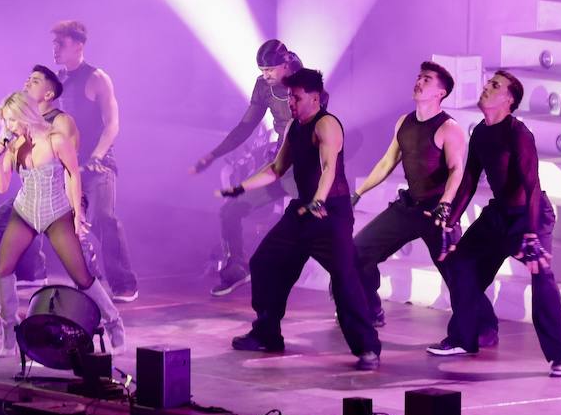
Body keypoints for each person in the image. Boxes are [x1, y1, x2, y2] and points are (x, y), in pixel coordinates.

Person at [222, 68, 380, 369]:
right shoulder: (295, 126)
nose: (290, 103)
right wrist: (241, 187)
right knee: (264, 262)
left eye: (296, 97)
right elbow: (276, 168)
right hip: (302, 211)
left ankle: (367, 348)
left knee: (345, 278)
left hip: (330, 213)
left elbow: (328, 167)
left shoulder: (328, 125)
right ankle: (267, 333)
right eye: (290, 97)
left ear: (314, 97)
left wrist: (319, 199)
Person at [431, 70, 561, 375]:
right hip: (498, 217)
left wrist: (532, 234)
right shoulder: (481, 132)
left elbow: (532, 185)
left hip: (530, 215)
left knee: (542, 275)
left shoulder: (518, 133)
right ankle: (463, 337)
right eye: (487, 83)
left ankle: (559, 355)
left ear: (508, 100)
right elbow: (469, 180)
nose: (486, 87)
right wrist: (449, 222)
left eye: (494, 86)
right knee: (460, 264)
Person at [349, 60, 496, 339]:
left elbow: (457, 171)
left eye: (427, 79)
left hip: (438, 213)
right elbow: (387, 162)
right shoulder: (404, 122)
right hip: (409, 207)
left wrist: (445, 206)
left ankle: (486, 324)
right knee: (358, 251)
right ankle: (371, 308)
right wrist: (359, 192)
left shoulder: (450, 128)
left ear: (440, 92)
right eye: (419, 77)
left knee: (457, 273)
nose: (419, 82)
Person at [0, 91, 125, 358]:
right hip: (25, 210)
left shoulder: (55, 139)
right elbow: (3, 187)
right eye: (6, 123)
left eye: (13, 121)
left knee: (81, 275)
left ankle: (113, 323)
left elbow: (73, 174)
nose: (10, 127)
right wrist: (1, 157)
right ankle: (9, 328)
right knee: (2, 269)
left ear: (26, 114)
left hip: (56, 211)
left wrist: (76, 214)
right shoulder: (14, 145)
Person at [193, 39, 308, 296]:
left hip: (305, 165)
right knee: (231, 210)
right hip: (279, 162)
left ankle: (350, 288)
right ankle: (237, 269)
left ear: (285, 64)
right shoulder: (263, 87)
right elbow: (246, 126)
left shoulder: (306, 84)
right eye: (261, 70)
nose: (265, 75)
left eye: (270, 70)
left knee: (316, 226)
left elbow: (320, 128)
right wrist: (215, 153)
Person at [0, 66, 64, 314]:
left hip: (51, 194)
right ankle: (12, 285)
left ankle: (20, 280)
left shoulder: (57, 122)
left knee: (73, 248)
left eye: (35, 82)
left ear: (49, 93)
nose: (27, 84)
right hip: (30, 194)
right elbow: (3, 168)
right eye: (27, 80)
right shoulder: (18, 122)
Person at [53, 20, 139, 302]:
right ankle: (91, 282)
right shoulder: (59, 80)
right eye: (54, 44)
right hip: (70, 167)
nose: (55, 49)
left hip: (99, 165)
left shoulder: (97, 78)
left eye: (60, 44)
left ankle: (125, 284)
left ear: (78, 46)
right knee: (66, 225)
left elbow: (112, 125)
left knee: (104, 218)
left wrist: (95, 157)